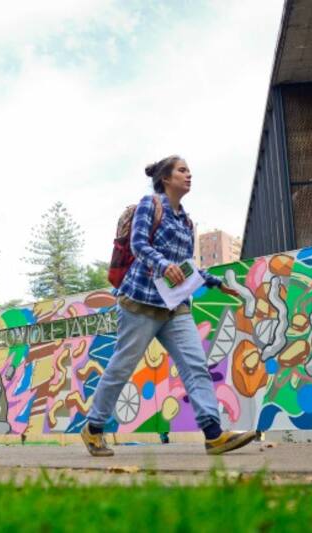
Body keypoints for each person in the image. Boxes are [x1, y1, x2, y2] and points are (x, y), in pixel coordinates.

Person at [81, 155, 257, 457]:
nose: (189, 175)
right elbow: (139, 245)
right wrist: (163, 265)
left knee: (195, 366)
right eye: (182, 170)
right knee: (121, 367)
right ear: (165, 178)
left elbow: (186, 266)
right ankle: (94, 428)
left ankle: (213, 435)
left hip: (175, 307)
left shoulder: (186, 222)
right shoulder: (150, 205)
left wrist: (215, 282)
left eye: (190, 171)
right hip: (140, 302)